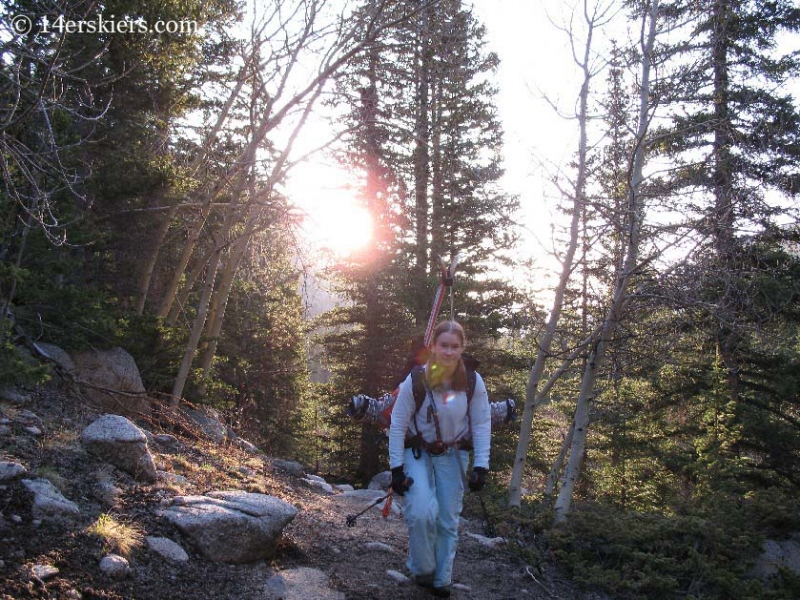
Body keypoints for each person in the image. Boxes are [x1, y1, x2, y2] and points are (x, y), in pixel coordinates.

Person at [388, 320, 491, 598]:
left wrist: (482, 465)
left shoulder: (472, 381)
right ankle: (422, 568)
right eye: (443, 345)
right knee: (421, 511)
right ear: (433, 346)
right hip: (418, 452)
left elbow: (481, 423)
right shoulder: (417, 379)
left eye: (454, 346)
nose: (448, 351)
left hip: (454, 454)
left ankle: (441, 579)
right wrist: (396, 469)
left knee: (447, 518)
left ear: (461, 348)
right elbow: (398, 424)